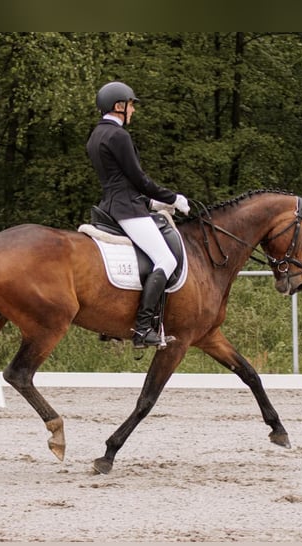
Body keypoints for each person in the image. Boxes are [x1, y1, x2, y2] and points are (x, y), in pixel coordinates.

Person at [86, 81, 190, 349]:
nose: (133, 110)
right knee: (166, 260)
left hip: (112, 205)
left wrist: (151, 203)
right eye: (131, 105)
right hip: (126, 209)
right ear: (119, 106)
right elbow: (138, 178)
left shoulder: (96, 135)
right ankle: (144, 327)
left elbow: (119, 180)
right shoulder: (119, 136)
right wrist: (172, 198)